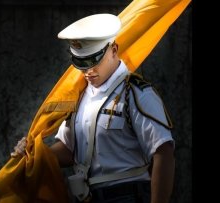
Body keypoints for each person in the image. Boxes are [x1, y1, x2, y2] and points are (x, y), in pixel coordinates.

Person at [12, 13, 175, 203]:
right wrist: (33, 154)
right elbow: (68, 149)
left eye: (93, 61)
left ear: (114, 50)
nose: (88, 71)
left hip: (128, 195)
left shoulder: (136, 94)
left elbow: (163, 152)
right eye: (81, 63)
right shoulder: (78, 96)